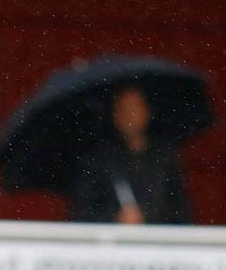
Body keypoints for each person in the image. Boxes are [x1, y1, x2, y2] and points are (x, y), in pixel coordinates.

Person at [67, 85, 193, 226]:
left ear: (147, 111)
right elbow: (82, 213)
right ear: (115, 115)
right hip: (111, 243)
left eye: (135, 108)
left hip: (157, 243)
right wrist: (114, 218)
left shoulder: (164, 158)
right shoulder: (98, 160)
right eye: (124, 109)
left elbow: (180, 211)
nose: (130, 115)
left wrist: (150, 218)